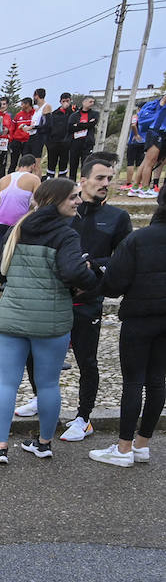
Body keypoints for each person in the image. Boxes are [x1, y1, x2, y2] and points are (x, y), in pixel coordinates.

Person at [0, 179, 98, 463]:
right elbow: (74, 272)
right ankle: (44, 443)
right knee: (48, 385)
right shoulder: (65, 235)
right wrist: (91, 275)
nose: (79, 201)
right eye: (73, 197)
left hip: (12, 317)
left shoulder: (16, 229)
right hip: (51, 320)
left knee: (7, 383)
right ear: (55, 200)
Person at [44, 156, 133, 441]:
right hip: (57, 297)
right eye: (100, 178)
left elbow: (123, 259)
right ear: (83, 180)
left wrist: (92, 265)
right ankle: (42, 398)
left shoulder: (118, 217)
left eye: (110, 178)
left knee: (87, 361)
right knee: (43, 357)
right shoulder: (65, 212)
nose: (106, 183)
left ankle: (84, 417)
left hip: (88, 299)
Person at [90, 187, 166, 466]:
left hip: (139, 316)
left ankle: (123, 448)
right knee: (158, 380)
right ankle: (143, 444)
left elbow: (113, 285)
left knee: (134, 381)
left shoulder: (137, 240)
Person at [0, 154, 40, 304]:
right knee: (17, 257)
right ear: (33, 165)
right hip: (20, 224)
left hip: (2, 222)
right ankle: (8, 289)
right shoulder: (34, 179)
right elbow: (40, 203)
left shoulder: (4, 179)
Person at [67, 98, 99, 185]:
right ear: (84, 102)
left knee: (86, 164)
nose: (92, 103)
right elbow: (70, 128)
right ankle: (71, 184)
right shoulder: (74, 115)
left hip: (87, 143)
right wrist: (85, 125)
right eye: (90, 101)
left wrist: (78, 125)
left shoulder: (94, 114)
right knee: (73, 164)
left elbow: (92, 124)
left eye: (93, 102)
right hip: (75, 143)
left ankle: (84, 184)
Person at [43, 93, 74, 181]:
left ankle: (62, 180)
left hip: (66, 143)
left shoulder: (73, 113)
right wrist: (48, 142)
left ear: (70, 101)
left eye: (67, 101)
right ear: (60, 101)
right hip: (53, 143)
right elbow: (48, 128)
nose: (65, 103)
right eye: (63, 101)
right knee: (51, 163)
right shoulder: (54, 114)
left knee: (63, 162)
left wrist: (70, 109)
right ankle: (50, 179)